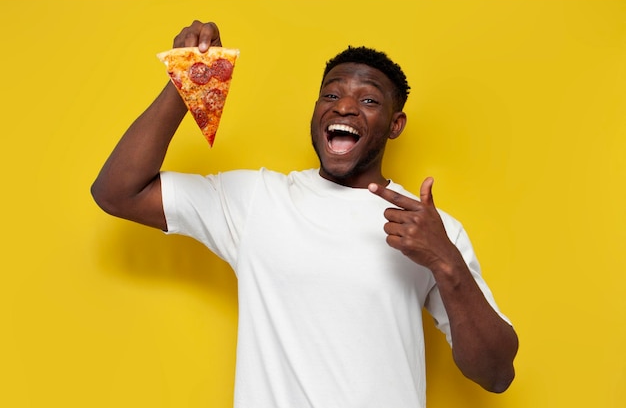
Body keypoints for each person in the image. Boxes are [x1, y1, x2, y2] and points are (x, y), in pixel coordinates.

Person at [92, 20, 518, 408]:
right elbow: (118, 192)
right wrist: (187, 79)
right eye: (331, 94)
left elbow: (496, 373)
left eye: (368, 99)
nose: (344, 107)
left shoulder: (430, 231)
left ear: (395, 124)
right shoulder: (257, 199)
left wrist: (446, 262)